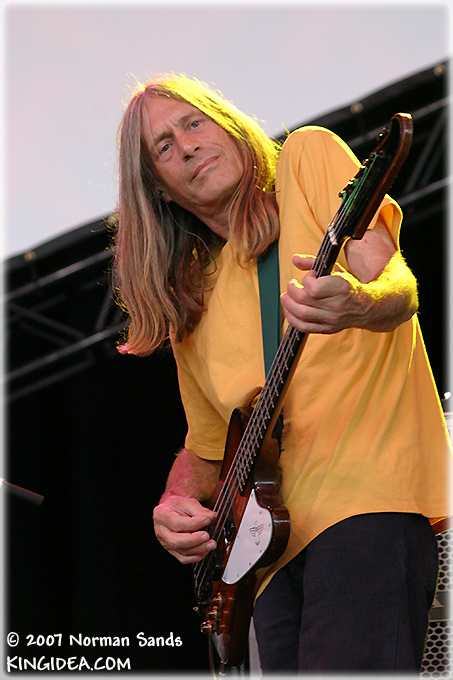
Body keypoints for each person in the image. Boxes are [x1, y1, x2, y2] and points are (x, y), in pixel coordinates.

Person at [113, 74, 451, 674]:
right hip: (265, 562)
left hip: (364, 503)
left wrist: (359, 303)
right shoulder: (192, 301)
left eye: (194, 123)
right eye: (163, 147)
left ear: (230, 128)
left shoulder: (305, 159)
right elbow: (207, 450)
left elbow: (396, 285)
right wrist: (173, 500)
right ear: (158, 188)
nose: (186, 145)